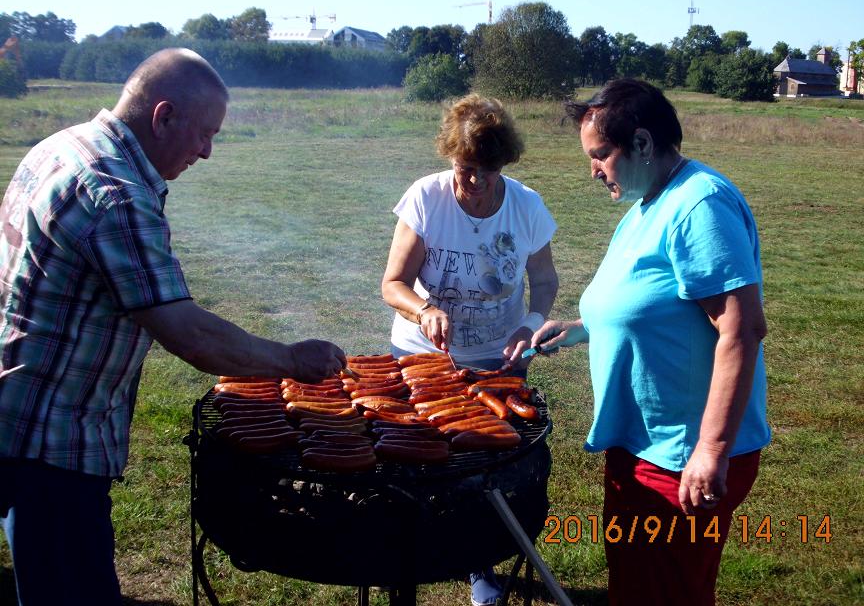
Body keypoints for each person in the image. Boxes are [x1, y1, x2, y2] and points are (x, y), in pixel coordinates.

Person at [0, 48, 345, 606]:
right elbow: (186, 331)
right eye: (204, 134)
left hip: (22, 407)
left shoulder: (61, 147)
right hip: (53, 437)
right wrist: (289, 360)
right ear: (163, 117)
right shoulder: (113, 192)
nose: (207, 151)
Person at [531, 79, 770, 606]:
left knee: (667, 591)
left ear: (641, 144)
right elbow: (651, 304)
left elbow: (741, 329)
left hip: (680, 456)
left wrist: (710, 451)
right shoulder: (649, 203)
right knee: (638, 584)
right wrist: (579, 329)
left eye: (600, 156)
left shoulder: (698, 206)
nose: (593, 170)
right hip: (642, 445)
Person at [381, 93, 559, 605]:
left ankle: (480, 565)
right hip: (421, 358)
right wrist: (424, 310)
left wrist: (529, 323)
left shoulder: (526, 206)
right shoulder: (427, 197)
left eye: (485, 169)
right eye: (464, 168)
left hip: (497, 362)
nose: (473, 181)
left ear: (504, 164)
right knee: (417, 462)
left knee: (485, 472)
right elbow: (393, 283)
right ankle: (409, 556)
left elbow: (544, 280)